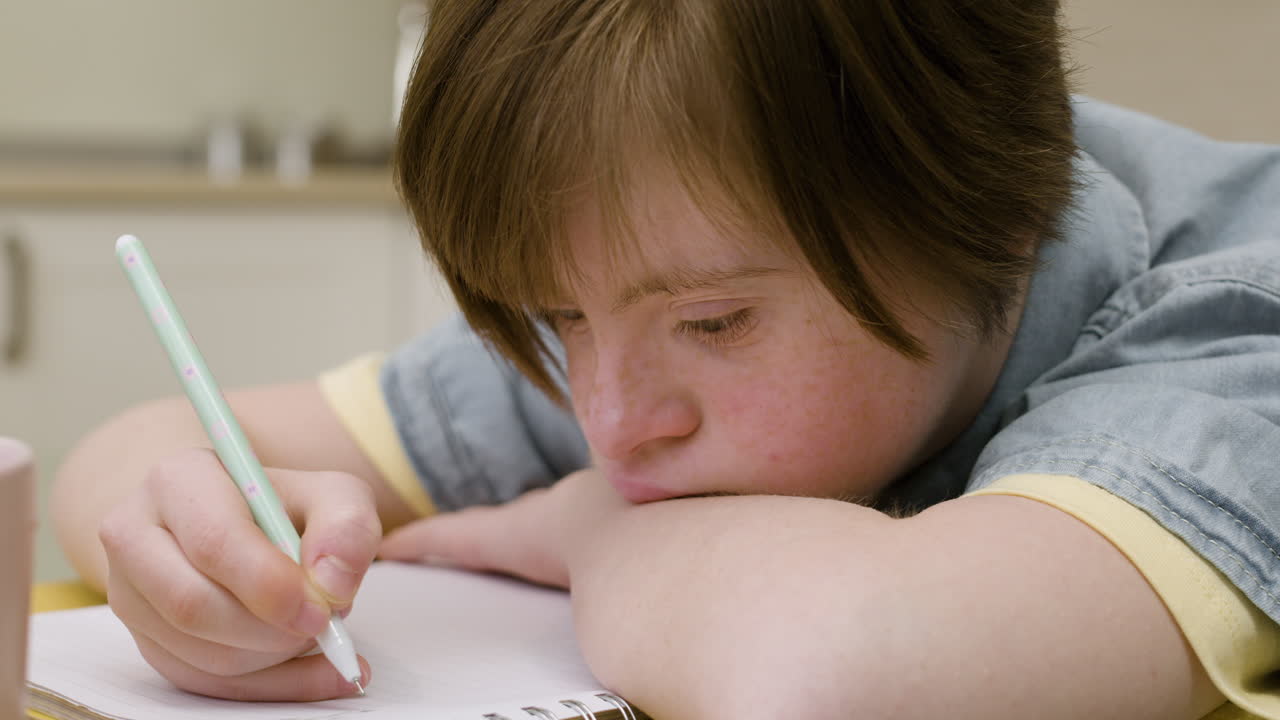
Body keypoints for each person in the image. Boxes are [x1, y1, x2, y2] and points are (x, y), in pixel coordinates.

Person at [53, 1, 1280, 717]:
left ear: (996, 214)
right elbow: (140, 448)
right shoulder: (647, 310)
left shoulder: (1232, 328)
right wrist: (200, 558)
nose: (607, 419)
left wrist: (580, 526)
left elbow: (841, 676)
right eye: (557, 315)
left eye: (714, 324)